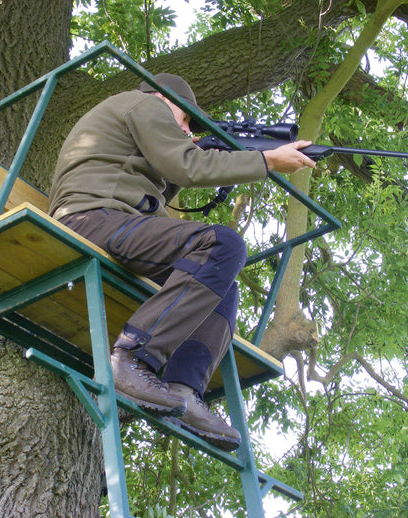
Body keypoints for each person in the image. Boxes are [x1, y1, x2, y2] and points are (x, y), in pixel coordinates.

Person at [49, 73, 315, 451]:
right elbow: (187, 167)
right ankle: (132, 358)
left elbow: (168, 181)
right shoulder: (144, 103)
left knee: (221, 282)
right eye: (187, 118)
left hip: (116, 224)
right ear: (162, 96)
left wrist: (218, 153)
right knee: (222, 244)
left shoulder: (134, 126)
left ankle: (185, 390)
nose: (189, 129)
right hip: (92, 219)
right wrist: (265, 160)